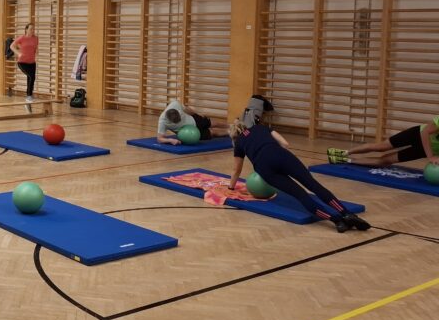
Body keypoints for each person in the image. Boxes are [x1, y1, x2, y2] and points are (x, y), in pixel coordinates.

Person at [227, 119, 370, 233]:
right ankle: (347, 214)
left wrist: (231, 188)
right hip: (280, 155)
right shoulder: (260, 127)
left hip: (265, 168)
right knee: (313, 185)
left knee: (301, 195)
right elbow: (285, 143)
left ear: (234, 136)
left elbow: (236, 169)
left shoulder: (239, 143)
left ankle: (337, 221)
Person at [327, 116, 439, 167]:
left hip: (424, 150)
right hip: (416, 135)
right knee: (381, 147)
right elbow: (424, 132)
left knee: (385, 161)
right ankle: (344, 153)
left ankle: (345, 160)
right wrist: (430, 156)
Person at [156, 99, 229, 144]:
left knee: (213, 123)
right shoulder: (162, 122)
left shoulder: (175, 104)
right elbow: (159, 139)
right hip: (189, 133)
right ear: (169, 120)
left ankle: (231, 126)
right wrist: (170, 140)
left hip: (193, 119)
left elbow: (187, 109)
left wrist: (197, 113)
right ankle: (230, 132)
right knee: (213, 132)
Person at [11, 23, 38, 105]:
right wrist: (18, 53)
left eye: (33, 29)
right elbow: (12, 46)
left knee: (31, 78)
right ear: (26, 30)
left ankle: (29, 96)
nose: (32, 30)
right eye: (31, 29)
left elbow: (35, 48)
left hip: (32, 63)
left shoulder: (36, 38)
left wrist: (36, 54)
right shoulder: (22, 38)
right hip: (22, 62)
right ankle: (29, 95)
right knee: (31, 76)